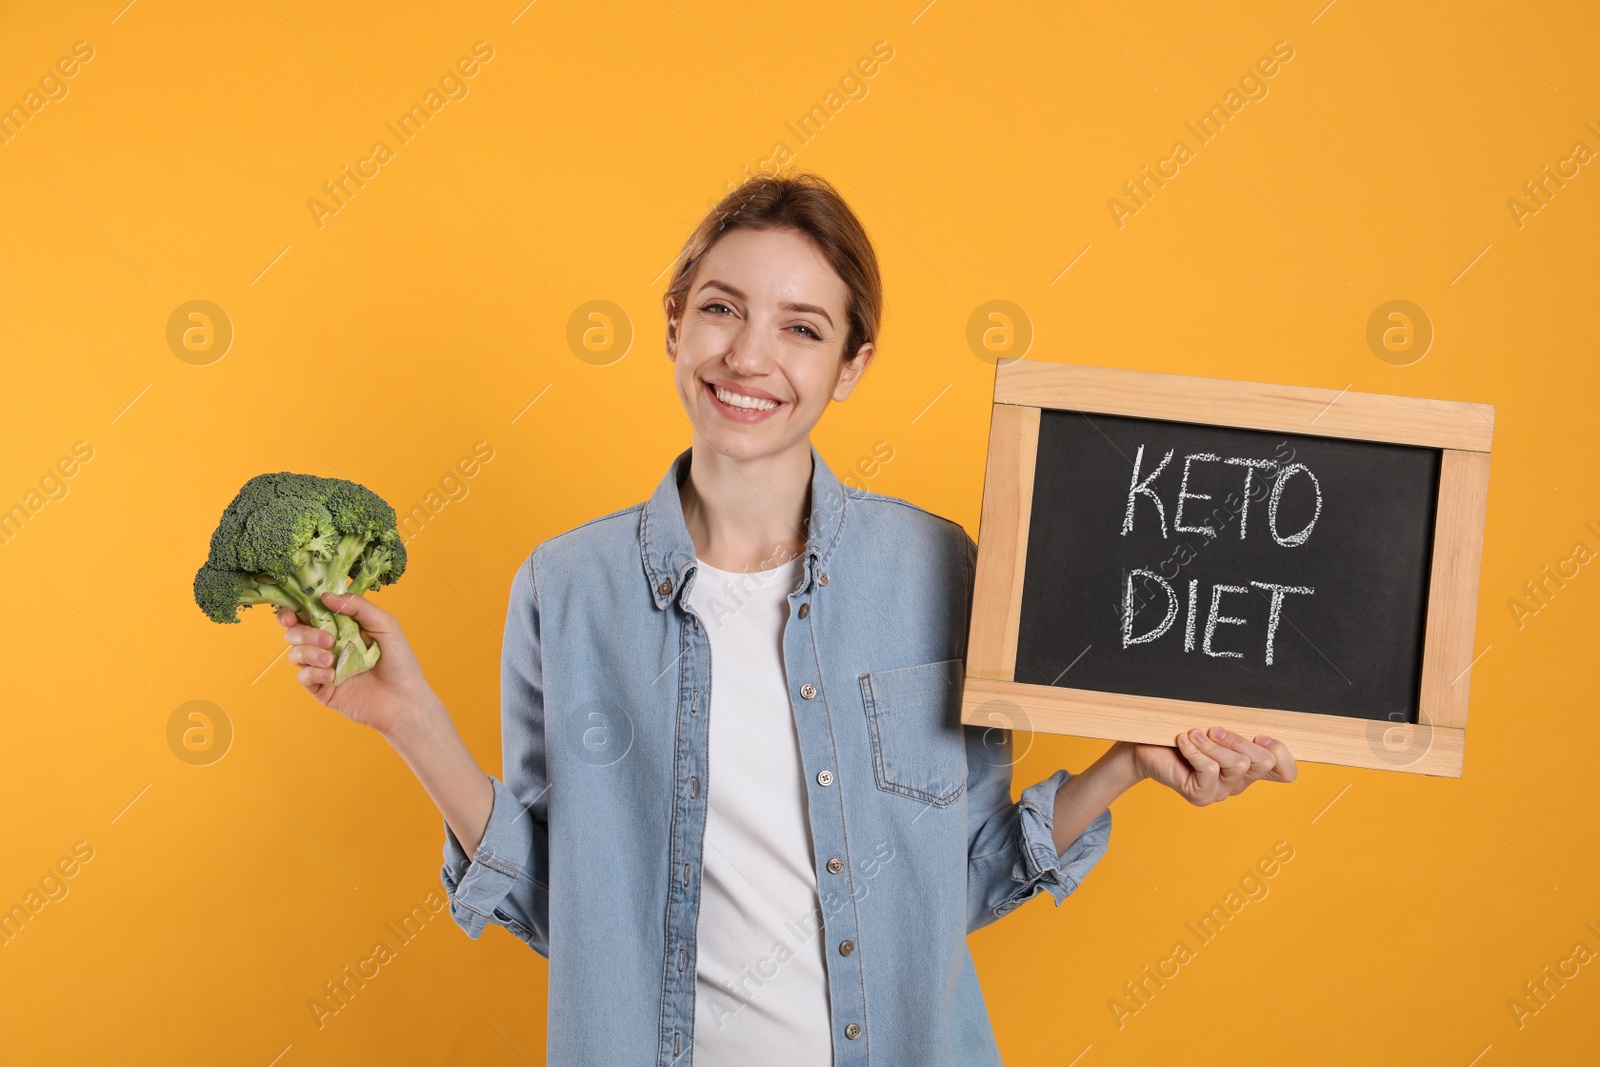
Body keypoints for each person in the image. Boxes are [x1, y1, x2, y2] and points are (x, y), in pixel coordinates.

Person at [277, 171, 1297, 1065]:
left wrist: (1126, 763)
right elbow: (565, 910)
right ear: (675, 321)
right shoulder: (565, 586)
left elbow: (967, 877)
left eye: (802, 327)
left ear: (850, 365)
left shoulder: (939, 570)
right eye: (722, 309)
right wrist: (411, 719)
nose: (749, 355)